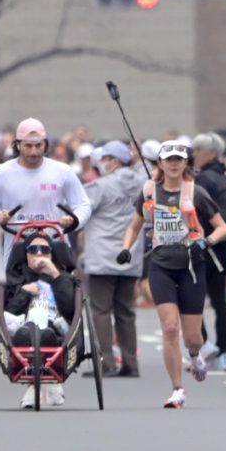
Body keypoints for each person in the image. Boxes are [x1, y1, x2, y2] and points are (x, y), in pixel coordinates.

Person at [118, 140, 226, 409]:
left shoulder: (196, 192)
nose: (173, 163)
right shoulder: (148, 191)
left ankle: (195, 355)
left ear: (185, 164)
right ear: (160, 163)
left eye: (179, 159)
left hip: (192, 267)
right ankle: (178, 389)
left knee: (193, 337)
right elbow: (134, 227)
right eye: (168, 159)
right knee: (170, 329)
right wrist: (125, 249)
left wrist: (208, 241)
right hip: (161, 266)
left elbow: (222, 227)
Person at [0, 118, 93, 264]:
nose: (33, 151)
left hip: (55, 249)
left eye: (38, 145)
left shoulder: (63, 171)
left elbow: (83, 205)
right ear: (18, 145)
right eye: (28, 146)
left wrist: (74, 220)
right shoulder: (0, 173)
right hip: (18, 251)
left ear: (45, 145)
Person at [81, 141, 145, 378]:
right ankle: (130, 362)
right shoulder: (142, 184)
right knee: (126, 311)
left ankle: (106, 362)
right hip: (130, 254)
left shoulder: (99, 186)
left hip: (102, 254)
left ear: (115, 161)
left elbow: (80, 212)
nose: (102, 163)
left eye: (106, 159)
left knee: (100, 310)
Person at [3, 232, 77, 408]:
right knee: (25, 331)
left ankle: (36, 388)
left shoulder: (65, 278)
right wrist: (23, 292)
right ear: (26, 254)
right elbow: (8, 313)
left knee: (45, 333)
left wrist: (54, 274)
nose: (38, 254)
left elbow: (71, 310)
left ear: (51, 254)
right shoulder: (15, 279)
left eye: (44, 250)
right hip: (23, 329)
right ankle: (39, 384)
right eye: (33, 250)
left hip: (54, 330)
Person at [192, 133, 226, 372]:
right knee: (219, 300)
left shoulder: (202, 181)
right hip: (223, 246)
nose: (193, 154)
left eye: (197, 149)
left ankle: (205, 344)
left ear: (210, 152)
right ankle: (222, 352)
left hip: (203, 245)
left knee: (192, 299)